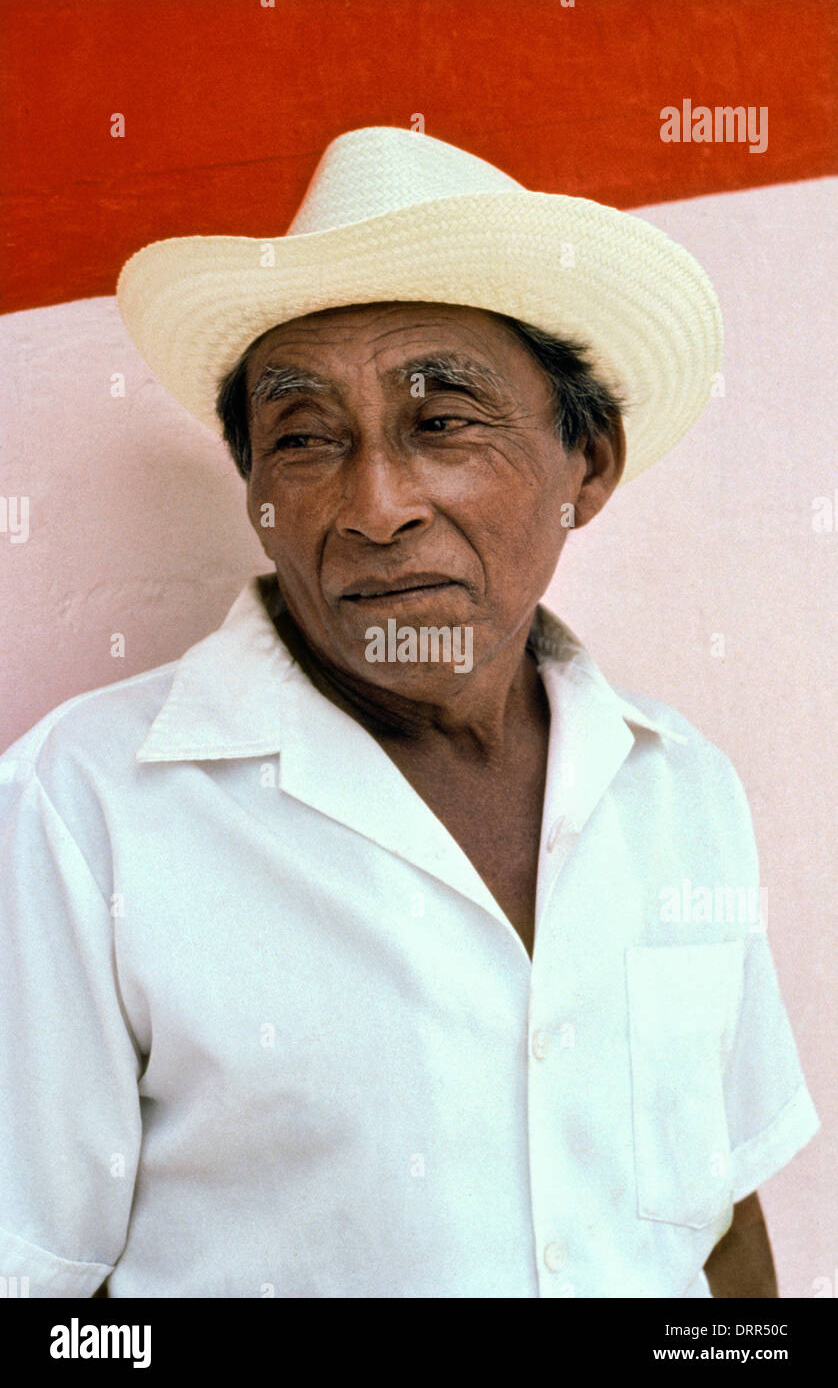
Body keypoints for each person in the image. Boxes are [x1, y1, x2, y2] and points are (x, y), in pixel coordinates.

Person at [0, 126, 818, 1298]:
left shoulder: (680, 788)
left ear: (585, 462)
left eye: (442, 422)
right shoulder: (79, 816)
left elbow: (720, 1227)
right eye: (305, 437)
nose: (376, 504)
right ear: (257, 492)